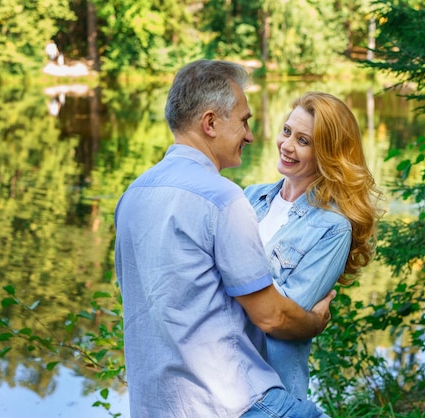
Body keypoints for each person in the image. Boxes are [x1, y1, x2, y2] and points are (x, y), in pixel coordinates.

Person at [114, 60, 337, 418]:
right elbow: (271, 318)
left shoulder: (133, 195)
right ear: (211, 123)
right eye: (244, 121)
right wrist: (316, 320)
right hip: (234, 404)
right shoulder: (224, 200)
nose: (250, 135)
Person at [244, 91, 382, 398]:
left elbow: (279, 318)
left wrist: (228, 278)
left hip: (273, 388)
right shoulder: (251, 197)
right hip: (225, 379)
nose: (287, 145)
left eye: (304, 141)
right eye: (287, 131)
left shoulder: (332, 229)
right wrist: (313, 322)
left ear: (328, 154)